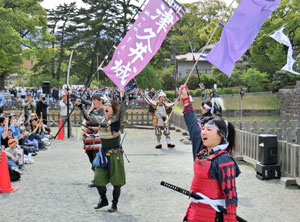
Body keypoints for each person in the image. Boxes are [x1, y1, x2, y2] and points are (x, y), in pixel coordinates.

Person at [179, 85, 240, 221]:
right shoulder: (201, 151)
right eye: (204, 128)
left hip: (213, 215)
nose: (203, 132)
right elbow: (193, 125)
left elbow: (231, 194)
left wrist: (230, 218)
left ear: (220, 135)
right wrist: (185, 100)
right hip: (195, 212)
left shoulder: (224, 160)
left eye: (209, 129)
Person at [76, 90, 126, 213]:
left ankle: (114, 204)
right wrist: (80, 106)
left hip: (115, 155)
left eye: (109, 106)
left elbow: (123, 110)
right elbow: (88, 117)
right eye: (106, 105)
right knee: (98, 179)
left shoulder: (117, 120)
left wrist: (123, 97)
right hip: (103, 154)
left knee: (116, 182)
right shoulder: (101, 120)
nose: (107, 107)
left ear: (114, 109)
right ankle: (103, 199)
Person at [77, 93, 105, 188]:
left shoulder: (104, 111)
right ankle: (100, 177)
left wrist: (81, 107)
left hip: (98, 139)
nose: (93, 102)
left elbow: (89, 118)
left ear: (100, 101)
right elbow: (84, 101)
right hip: (89, 139)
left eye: (95, 100)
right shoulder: (93, 109)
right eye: (92, 100)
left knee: (96, 161)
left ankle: (98, 179)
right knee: (91, 160)